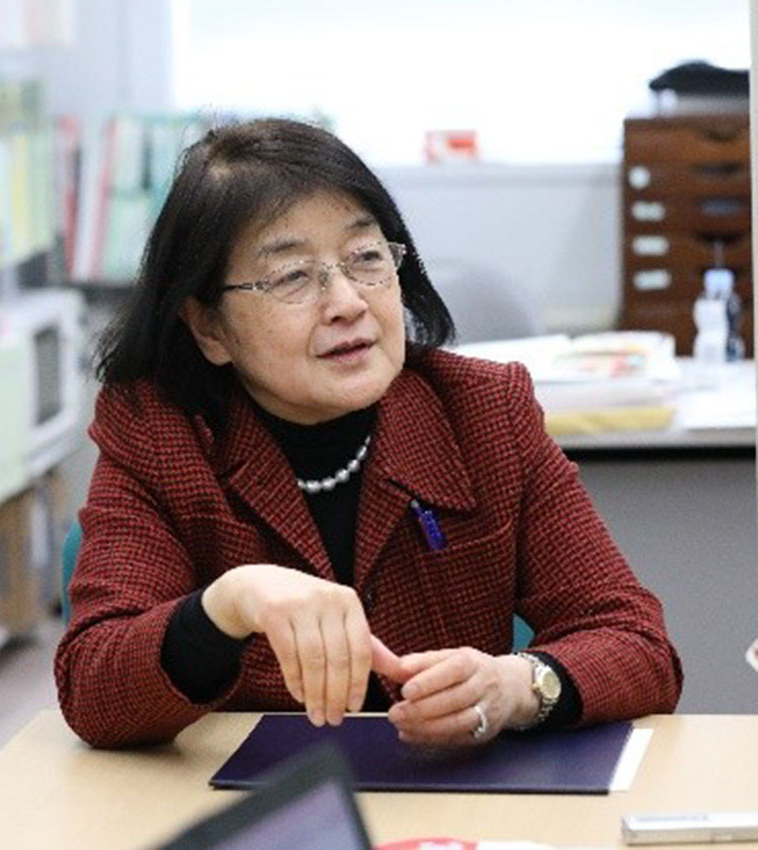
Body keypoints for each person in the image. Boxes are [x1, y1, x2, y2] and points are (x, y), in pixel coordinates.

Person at [55, 118, 682, 749]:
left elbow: (636, 642)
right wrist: (226, 606)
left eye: (366, 258)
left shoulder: (485, 413)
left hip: (457, 793)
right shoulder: (162, 436)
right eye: (292, 276)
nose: (348, 302)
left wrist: (519, 685)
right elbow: (92, 687)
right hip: (261, 801)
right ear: (209, 328)